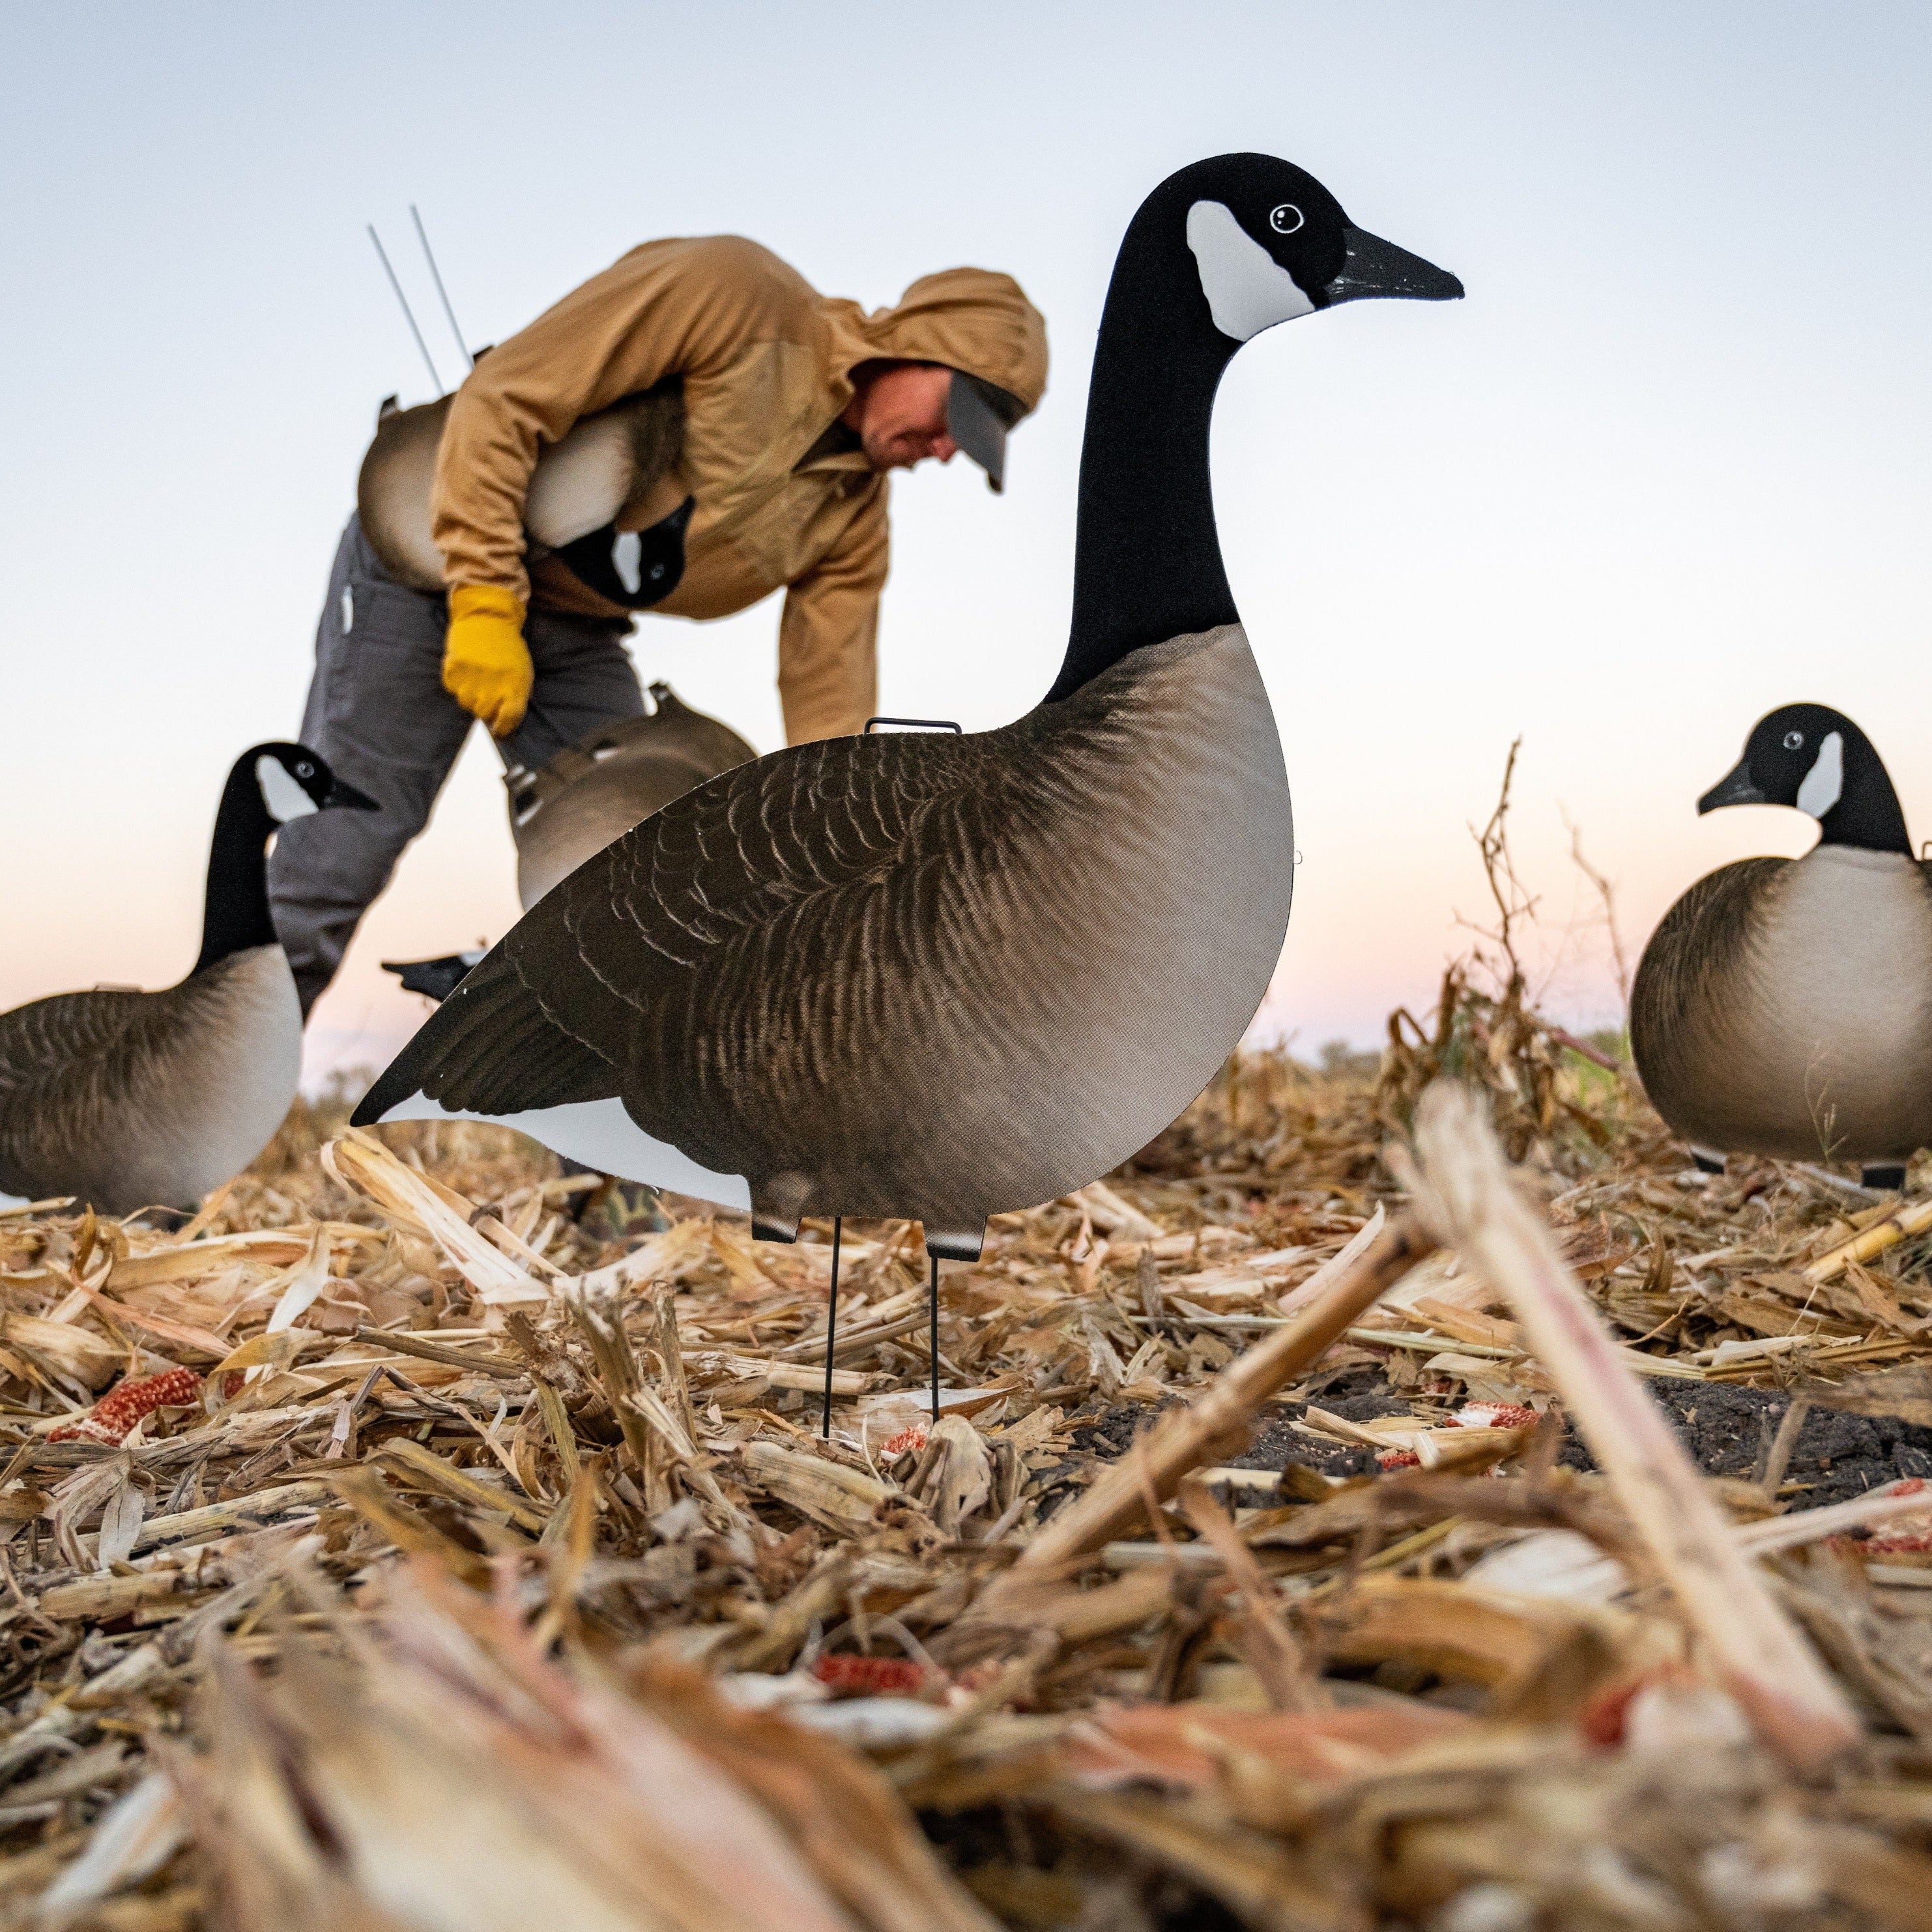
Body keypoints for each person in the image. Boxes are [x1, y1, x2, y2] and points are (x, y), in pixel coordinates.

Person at [268, 235, 1048, 1016]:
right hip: (435, 555)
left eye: (969, 444)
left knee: (631, 889)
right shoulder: (736, 296)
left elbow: (828, 707)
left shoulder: (854, 522)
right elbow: (506, 397)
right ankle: (178, 1118)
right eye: (956, 416)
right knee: (337, 856)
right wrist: (481, 598)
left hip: (570, 629)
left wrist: (843, 858)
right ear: (914, 345)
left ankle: (598, 1132)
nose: (946, 450)